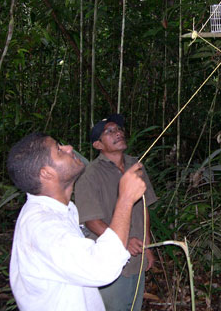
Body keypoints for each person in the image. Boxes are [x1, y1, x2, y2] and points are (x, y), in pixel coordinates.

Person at [8, 132, 146, 311]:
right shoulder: (42, 226)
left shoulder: (63, 210)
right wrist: (126, 199)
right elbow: (102, 268)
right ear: (47, 173)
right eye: (59, 150)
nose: (69, 148)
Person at [74, 114, 157, 311]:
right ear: (98, 145)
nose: (118, 133)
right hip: (110, 262)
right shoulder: (89, 175)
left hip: (137, 257)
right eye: (109, 132)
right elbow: (91, 220)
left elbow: (143, 206)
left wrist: (147, 244)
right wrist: (122, 241)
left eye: (118, 129)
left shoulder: (135, 165)